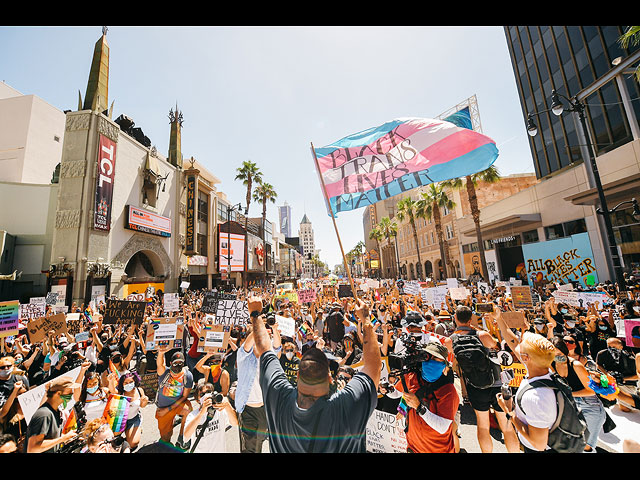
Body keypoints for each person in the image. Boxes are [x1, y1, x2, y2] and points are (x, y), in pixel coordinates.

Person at [251, 295, 380, 453]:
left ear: (297, 376)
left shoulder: (279, 397)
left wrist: (255, 314)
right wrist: (366, 319)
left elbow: (265, 349)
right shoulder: (345, 407)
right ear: (330, 378)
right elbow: (373, 367)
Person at [444, 306, 520, 453]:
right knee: (506, 426)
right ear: (470, 318)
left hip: (475, 385)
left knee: (483, 425)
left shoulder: (450, 340)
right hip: (497, 383)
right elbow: (497, 347)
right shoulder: (483, 335)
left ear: (455, 319)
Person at [495, 315, 560, 453]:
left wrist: (509, 412)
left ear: (525, 358)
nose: (517, 347)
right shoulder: (545, 369)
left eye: (521, 347)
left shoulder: (536, 397)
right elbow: (512, 341)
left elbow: (538, 444)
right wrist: (499, 317)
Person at [385, 341, 460, 453]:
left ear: (444, 365)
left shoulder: (448, 391)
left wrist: (419, 407)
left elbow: (443, 427)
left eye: (436, 358)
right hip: (413, 447)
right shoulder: (413, 376)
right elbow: (399, 392)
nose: (431, 361)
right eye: (428, 357)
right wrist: (387, 389)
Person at [550, 336, 605, 452]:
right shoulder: (552, 364)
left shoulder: (576, 365)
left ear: (565, 351)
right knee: (572, 440)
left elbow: (591, 390)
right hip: (570, 404)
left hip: (589, 404)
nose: (557, 357)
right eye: (553, 355)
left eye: (559, 354)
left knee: (586, 445)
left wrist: (569, 394)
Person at [235, 320, 281, 453]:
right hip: (248, 409)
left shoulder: (267, 357)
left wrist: (274, 329)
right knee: (250, 448)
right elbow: (247, 345)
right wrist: (258, 327)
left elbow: (277, 348)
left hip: (264, 408)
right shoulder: (243, 356)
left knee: (259, 442)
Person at [25, 376, 81, 453]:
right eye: (69, 391)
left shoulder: (56, 412)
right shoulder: (44, 414)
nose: (72, 393)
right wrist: (63, 438)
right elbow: (33, 449)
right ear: (58, 393)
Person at [182, 381, 238, 453]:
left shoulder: (220, 411)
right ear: (197, 400)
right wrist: (202, 413)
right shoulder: (193, 415)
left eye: (209, 392)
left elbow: (235, 423)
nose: (206, 396)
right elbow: (186, 437)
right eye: (202, 394)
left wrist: (227, 405)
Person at [154, 347, 194, 444]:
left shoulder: (187, 376)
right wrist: (160, 353)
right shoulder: (165, 373)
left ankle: (182, 437)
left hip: (176, 404)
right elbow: (160, 365)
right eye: (175, 363)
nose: (178, 365)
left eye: (180, 363)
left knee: (188, 411)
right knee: (165, 438)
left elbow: (185, 396)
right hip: (163, 406)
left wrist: (169, 409)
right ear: (171, 363)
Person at [111, 370, 148, 450]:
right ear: (122, 384)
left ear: (135, 381)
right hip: (120, 419)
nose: (128, 384)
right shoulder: (121, 392)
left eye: (131, 382)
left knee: (133, 443)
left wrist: (145, 401)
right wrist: (110, 381)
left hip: (133, 419)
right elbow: (112, 391)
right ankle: (123, 434)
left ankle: (137, 428)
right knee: (113, 437)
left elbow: (142, 406)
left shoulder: (139, 390)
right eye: (126, 383)